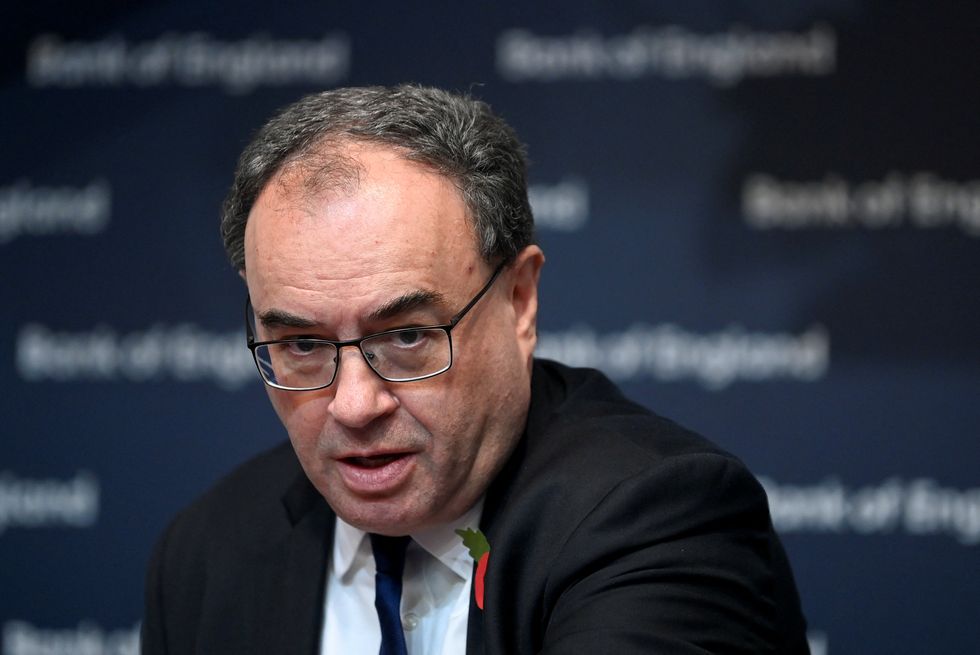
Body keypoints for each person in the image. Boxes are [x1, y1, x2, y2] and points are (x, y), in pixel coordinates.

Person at [142, 84, 809, 654]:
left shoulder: (660, 521)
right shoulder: (205, 553)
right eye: (302, 344)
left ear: (520, 300)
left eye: (406, 335)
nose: (354, 405)